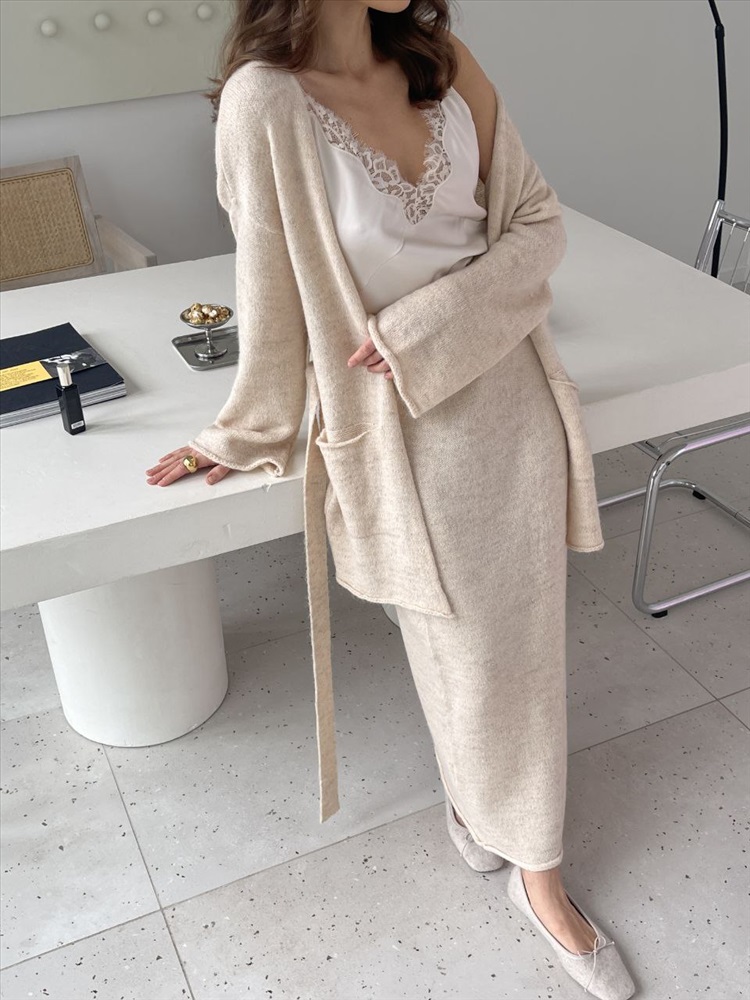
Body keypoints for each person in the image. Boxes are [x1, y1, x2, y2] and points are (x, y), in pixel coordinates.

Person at [146, 3, 635, 997]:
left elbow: (538, 225)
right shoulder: (264, 103)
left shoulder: (442, 60)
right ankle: (496, 821)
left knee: (515, 657)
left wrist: (425, 326)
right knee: (468, 653)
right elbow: (270, 287)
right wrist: (244, 426)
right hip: (402, 432)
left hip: (513, 401)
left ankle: (533, 868)